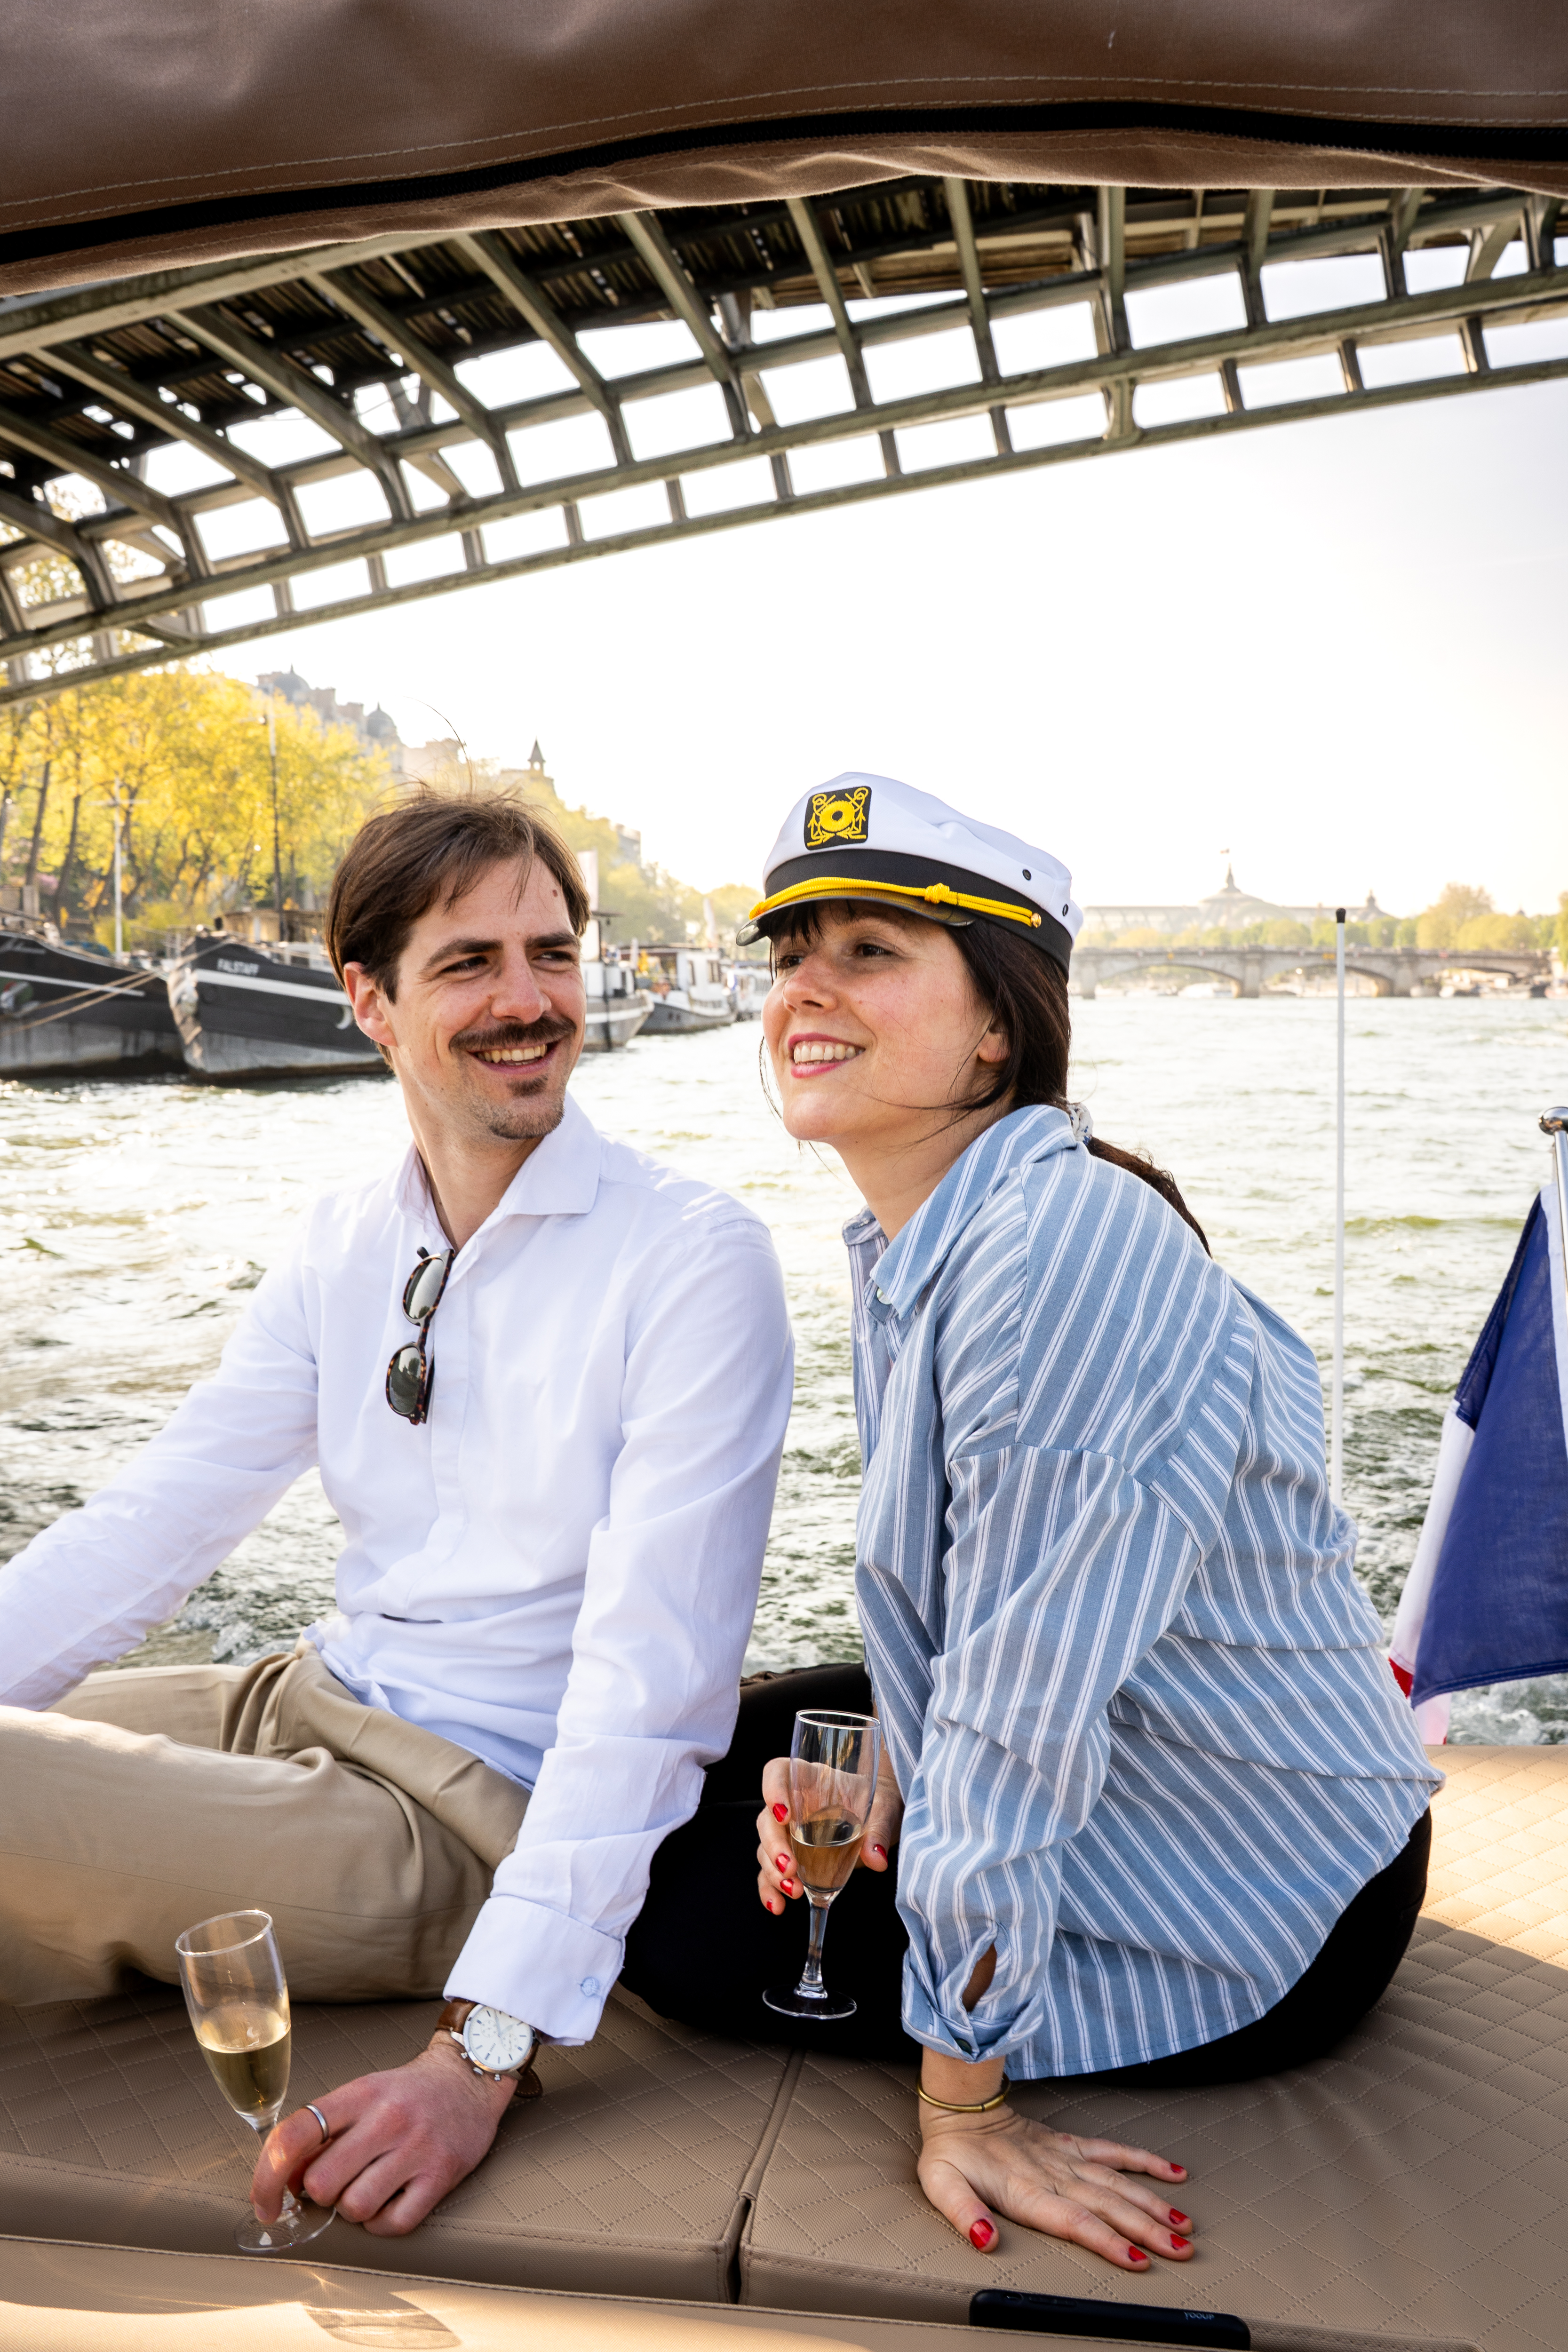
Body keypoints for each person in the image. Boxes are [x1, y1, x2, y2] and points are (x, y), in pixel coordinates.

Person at [625, 773, 1441, 2277]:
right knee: (687, 1751)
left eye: (872, 952)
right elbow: (966, 1614)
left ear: (997, 1022)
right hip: (1175, 1757)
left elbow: (1018, 1720)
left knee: (664, 1923)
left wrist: (970, 2100)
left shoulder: (1051, 1253)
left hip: (1265, 1890)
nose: (804, 984)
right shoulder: (934, 1234)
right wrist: (886, 1752)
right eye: (794, 949)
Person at [0, 791, 793, 2237]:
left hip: (457, 1807)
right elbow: (155, 1521)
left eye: (552, 953)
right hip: (304, 1697)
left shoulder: (690, 1262)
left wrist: (485, 2048)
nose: (530, 1000)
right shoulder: (349, 1240)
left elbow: (652, 1686)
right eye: (471, 963)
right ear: (367, 1000)